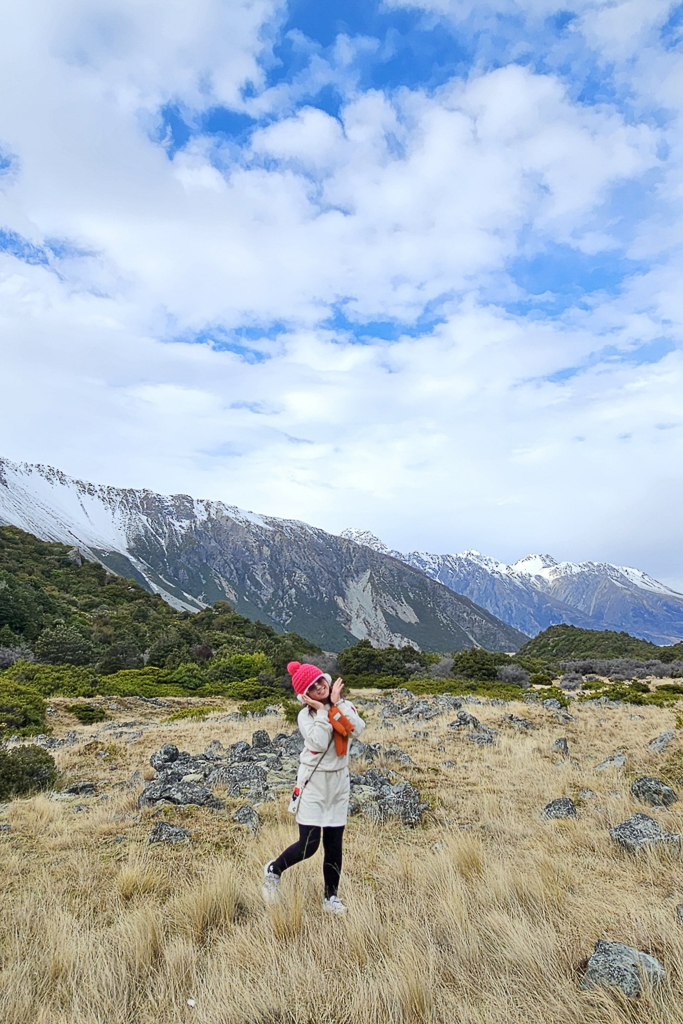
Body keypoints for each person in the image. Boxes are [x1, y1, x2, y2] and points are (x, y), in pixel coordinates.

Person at [261, 660, 365, 915]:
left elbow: (357, 729)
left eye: (321, 680)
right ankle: (274, 870)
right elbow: (318, 743)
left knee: (334, 844)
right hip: (313, 781)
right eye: (312, 686)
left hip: (338, 783)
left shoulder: (343, 704)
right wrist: (321, 710)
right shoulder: (305, 715)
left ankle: (331, 898)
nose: (319, 686)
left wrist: (337, 704)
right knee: (309, 845)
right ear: (305, 695)